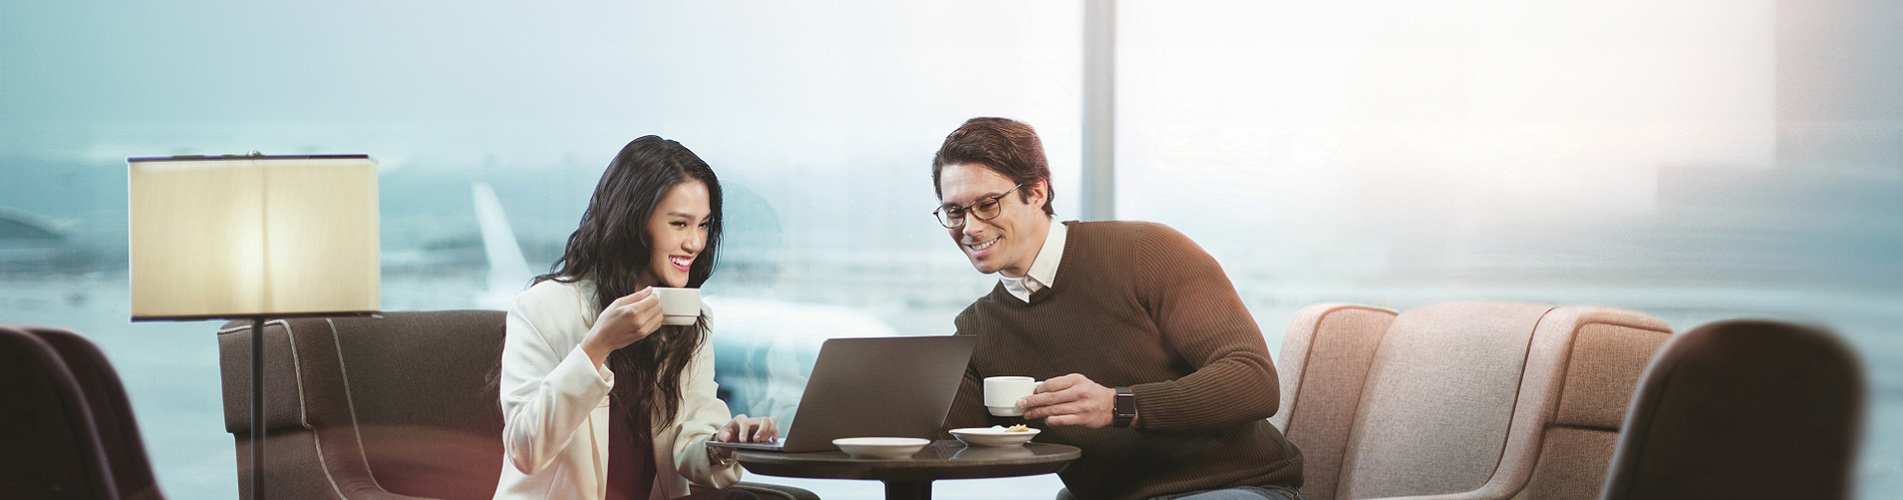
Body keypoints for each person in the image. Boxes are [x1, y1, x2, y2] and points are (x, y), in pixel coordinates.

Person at [931, 118, 1305, 500]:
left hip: (1234, 488)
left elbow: (1254, 381)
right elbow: (933, 438)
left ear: (1038, 191)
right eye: (955, 212)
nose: (970, 227)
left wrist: (1119, 404)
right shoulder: (979, 328)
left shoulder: (1148, 252)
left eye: (987, 205)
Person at [494, 136, 774, 500]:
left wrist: (722, 442)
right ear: (633, 223)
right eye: (680, 224)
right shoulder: (540, 308)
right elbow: (525, 450)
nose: (695, 243)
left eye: (703, 225)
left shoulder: (690, 316)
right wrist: (598, 346)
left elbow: (687, 438)